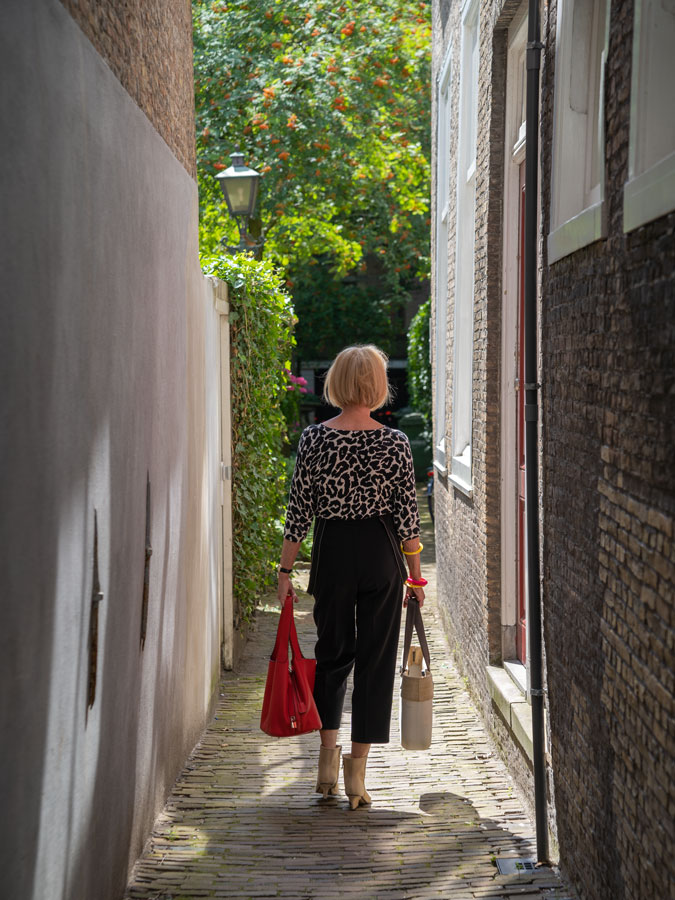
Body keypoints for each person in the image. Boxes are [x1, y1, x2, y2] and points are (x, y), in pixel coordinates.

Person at [277, 345, 426, 809]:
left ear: (337, 383)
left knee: (332, 654)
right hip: (381, 555)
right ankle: (357, 777)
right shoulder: (394, 442)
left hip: (333, 554)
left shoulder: (314, 439)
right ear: (377, 386)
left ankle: (326, 764)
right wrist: (416, 579)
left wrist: (284, 570)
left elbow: (298, 513)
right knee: (376, 661)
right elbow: (407, 519)